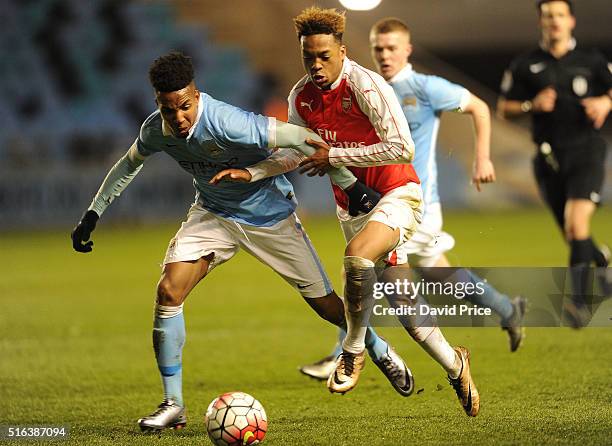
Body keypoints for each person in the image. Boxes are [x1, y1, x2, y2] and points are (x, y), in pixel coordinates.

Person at [70, 51, 416, 432]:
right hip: (213, 214)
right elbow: (128, 164)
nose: (180, 118)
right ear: (159, 105)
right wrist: (93, 213)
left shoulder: (230, 123)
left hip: (269, 216)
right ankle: (174, 405)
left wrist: (351, 186)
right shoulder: (156, 130)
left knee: (329, 307)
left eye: (185, 106)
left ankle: (379, 349)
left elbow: (303, 137)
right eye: (170, 111)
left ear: (197, 96)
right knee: (168, 292)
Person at [217, 7, 480, 417]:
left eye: (324, 56)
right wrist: (252, 172)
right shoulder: (302, 96)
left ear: (342, 50)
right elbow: (297, 152)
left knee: (356, 257)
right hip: (353, 206)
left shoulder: (367, 85)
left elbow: (402, 147)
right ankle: (455, 363)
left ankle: (353, 350)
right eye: (309, 58)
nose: (317, 65)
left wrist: (334, 153)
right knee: (406, 307)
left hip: (397, 193)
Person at [299, 17, 529, 384]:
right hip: (376, 197)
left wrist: (482, 156)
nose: (385, 55)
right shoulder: (359, 89)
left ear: (408, 50)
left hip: (410, 197)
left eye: (392, 48)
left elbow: (480, 107)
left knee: (358, 267)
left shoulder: (425, 87)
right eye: (378, 49)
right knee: (433, 273)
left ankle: (351, 350)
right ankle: (505, 310)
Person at [497, 0, 611, 327]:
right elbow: (505, 108)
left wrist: (605, 100)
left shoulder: (592, 60)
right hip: (547, 158)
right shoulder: (525, 64)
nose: (555, 21)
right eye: (548, 16)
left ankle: (579, 304)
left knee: (576, 224)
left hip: (586, 150)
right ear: (541, 23)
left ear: (571, 20)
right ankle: (600, 258)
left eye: (560, 15)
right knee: (574, 234)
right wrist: (533, 104)